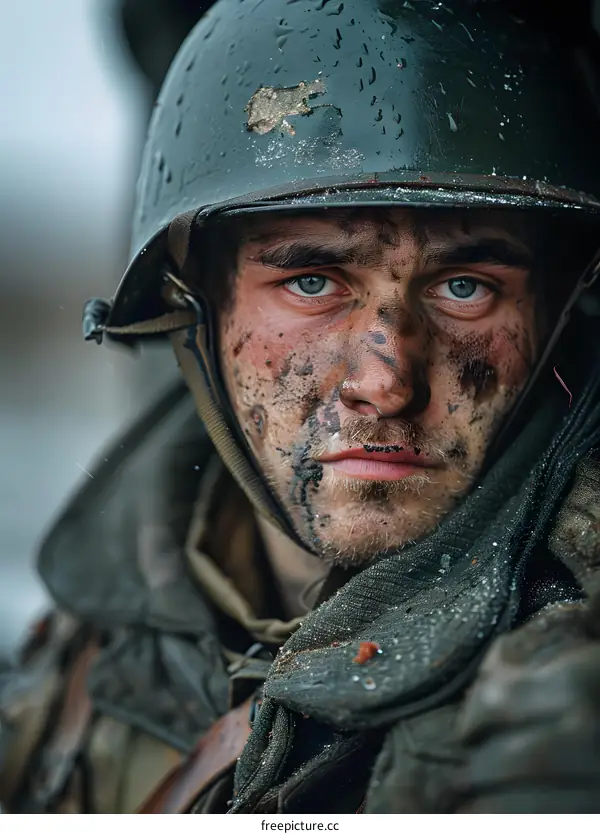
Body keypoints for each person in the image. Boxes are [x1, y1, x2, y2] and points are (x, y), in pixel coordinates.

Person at [2, 0, 600, 814]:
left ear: (554, 317)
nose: (385, 382)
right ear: (195, 310)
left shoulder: (559, 710)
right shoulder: (92, 634)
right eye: (312, 282)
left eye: (466, 288)